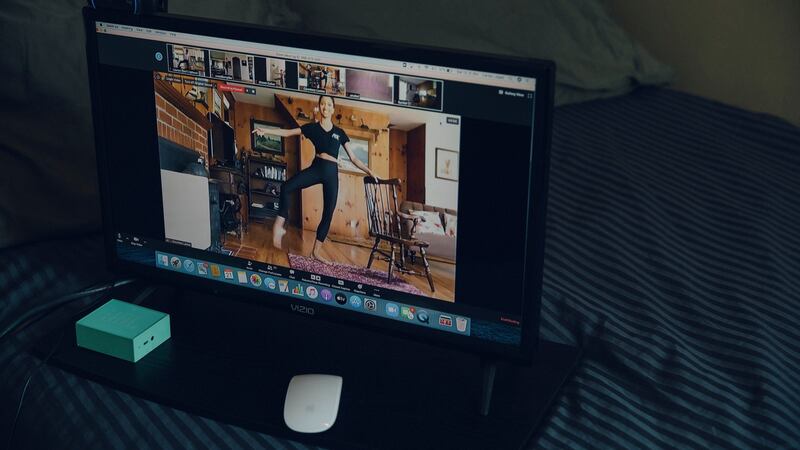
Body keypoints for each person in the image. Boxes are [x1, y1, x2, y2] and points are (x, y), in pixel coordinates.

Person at [252, 95, 377, 261]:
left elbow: (353, 158)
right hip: (317, 168)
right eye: (323, 104)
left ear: (333, 109)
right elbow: (288, 133)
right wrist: (266, 130)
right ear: (320, 107)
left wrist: (369, 171)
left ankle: (316, 252)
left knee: (328, 212)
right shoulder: (312, 128)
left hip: (331, 173)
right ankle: (279, 225)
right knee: (286, 187)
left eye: (329, 104)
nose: (325, 107)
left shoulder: (340, 133)